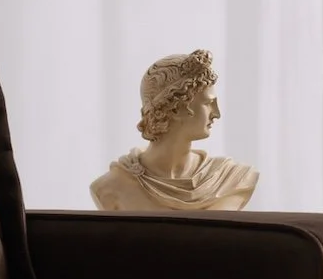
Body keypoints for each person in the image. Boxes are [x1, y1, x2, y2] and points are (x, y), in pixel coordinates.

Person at [91, 49, 258, 212]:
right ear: (176, 108)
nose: (217, 114)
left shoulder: (234, 180)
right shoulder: (111, 188)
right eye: (208, 103)